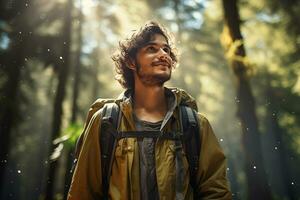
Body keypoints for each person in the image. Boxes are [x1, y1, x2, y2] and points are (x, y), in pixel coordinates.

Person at [67, 21, 231, 200]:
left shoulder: (195, 124)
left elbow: (216, 193)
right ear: (131, 61)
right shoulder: (106, 122)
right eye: (152, 49)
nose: (163, 55)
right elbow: (82, 194)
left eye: (166, 50)